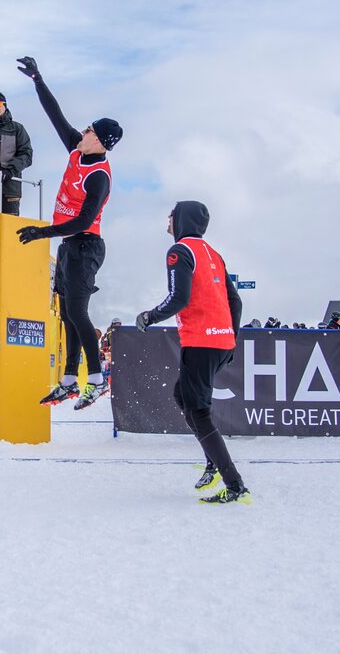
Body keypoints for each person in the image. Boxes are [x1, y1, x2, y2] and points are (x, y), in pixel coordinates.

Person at [15, 56, 123, 410]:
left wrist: (41, 232)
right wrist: (37, 78)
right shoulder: (78, 149)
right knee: (66, 316)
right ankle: (68, 381)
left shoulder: (99, 177)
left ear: (100, 141)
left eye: (89, 131)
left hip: (86, 245)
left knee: (78, 313)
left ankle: (97, 379)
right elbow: (55, 115)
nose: (83, 132)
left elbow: (83, 221)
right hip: (68, 246)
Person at [135, 201, 250, 504]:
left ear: (182, 219)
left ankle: (235, 485)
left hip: (201, 342)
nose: (168, 220)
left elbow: (179, 297)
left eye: (171, 215)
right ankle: (213, 460)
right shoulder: (213, 253)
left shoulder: (180, 251)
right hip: (220, 342)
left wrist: (150, 316)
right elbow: (235, 301)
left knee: (198, 411)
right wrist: (231, 338)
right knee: (183, 397)